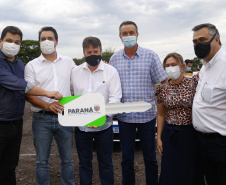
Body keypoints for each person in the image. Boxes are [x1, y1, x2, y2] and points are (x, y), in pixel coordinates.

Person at [0, 26, 62, 185]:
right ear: (0, 41)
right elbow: (19, 84)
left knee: (9, 166)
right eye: (8, 41)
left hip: (16, 123)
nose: (12, 44)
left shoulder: (20, 65)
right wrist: (47, 93)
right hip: (1, 123)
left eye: (16, 42)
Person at [109, 21, 168, 185]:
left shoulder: (150, 56)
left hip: (147, 117)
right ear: (120, 37)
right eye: (125, 33)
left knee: (150, 157)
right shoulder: (114, 59)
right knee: (126, 158)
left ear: (137, 34)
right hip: (124, 117)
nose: (129, 36)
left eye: (131, 32)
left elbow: (163, 82)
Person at [25, 26, 75, 185]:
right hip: (41, 118)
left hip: (65, 117)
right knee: (41, 161)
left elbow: (78, 84)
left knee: (67, 159)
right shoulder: (31, 65)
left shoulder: (68, 62)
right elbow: (29, 94)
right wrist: (47, 106)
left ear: (57, 41)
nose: (46, 41)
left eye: (50, 38)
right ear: (39, 42)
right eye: (43, 39)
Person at [71, 36, 122, 185]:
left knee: (106, 163)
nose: (92, 54)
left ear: (100, 50)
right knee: (84, 163)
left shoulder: (111, 71)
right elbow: (71, 96)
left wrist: (99, 117)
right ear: (84, 53)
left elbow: (115, 98)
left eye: (95, 51)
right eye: (89, 52)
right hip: (82, 128)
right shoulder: (75, 72)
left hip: (104, 126)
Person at [155, 53, 204, 185]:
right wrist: (159, 138)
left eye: (173, 65)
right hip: (171, 135)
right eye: (167, 66)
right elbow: (161, 114)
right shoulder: (162, 88)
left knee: (191, 169)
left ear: (182, 66)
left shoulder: (194, 83)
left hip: (191, 134)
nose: (170, 68)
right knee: (171, 169)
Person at [192, 23, 226, 185]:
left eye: (203, 39)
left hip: (220, 143)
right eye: (195, 41)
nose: (198, 44)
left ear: (217, 39)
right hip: (203, 141)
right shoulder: (205, 67)